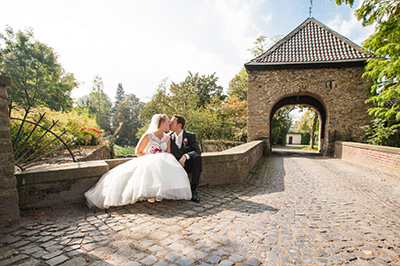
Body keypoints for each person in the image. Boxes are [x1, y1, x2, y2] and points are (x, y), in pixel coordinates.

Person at [84, 114, 192, 209]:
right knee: (152, 163)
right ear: (162, 123)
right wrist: (150, 157)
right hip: (147, 160)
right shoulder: (148, 135)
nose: (169, 124)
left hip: (162, 162)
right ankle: (150, 193)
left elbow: (167, 153)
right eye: (168, 121)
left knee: (164, 162)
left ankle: (160, 192)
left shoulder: (167, 138)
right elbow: (138, 152)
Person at [169, 115, 202, 203]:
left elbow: (197, 151)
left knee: (197, 158)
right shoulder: (168, 137)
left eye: (172, 122)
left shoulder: (190, 136)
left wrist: (185, 156)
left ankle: (193, 190)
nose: (169, 124)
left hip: (187, 164)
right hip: (173, 165)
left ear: (179, 125)